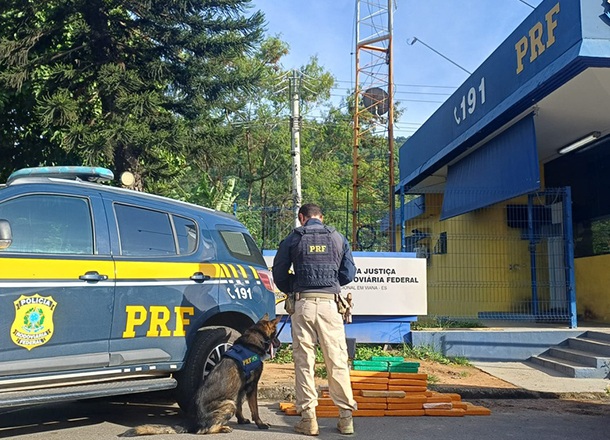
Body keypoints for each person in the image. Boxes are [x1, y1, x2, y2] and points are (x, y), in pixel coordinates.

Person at [272, 203, 357, 436]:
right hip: (330, 305)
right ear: (322, 217)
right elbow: (349, 273)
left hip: (303, 304)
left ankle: (309, 419)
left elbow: (279, 273)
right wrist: (331, 284)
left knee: (304, 361)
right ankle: (346, 418)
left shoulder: (293, 238)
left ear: (302, 217)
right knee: (337, 359)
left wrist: (294, 286)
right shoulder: (337, 237)